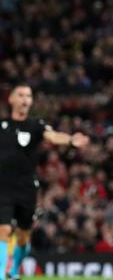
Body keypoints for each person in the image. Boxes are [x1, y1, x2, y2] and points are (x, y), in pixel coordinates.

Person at [0, 83, 90, 280]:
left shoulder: (36, 125)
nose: (25, 99)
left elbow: (53, 135)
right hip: (3, 187)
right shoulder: (2, 126)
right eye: (21, 95)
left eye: (28, 96)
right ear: (11, 99)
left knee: (23, 237)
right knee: (4, 229)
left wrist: (70, 140)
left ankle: (14, 270)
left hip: (26, 188)